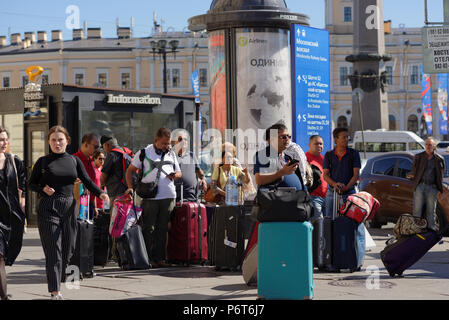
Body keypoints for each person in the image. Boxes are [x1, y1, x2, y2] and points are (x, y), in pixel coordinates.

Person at [29, 125, 109, 300]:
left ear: (67, 141)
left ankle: (60, 277)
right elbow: (31, 184)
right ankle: (55, 291)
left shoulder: (74, 161)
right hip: (48, 207)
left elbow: (87, 180)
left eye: (60, 140)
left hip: (70, 207)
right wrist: (42, 188)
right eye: (53, 140)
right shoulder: (43, 161)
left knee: (68, 250)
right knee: (53, 251)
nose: (57, 143)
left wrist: (101, 193)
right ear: (49, 142)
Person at [125, 128, 182, 268]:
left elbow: (179, 172)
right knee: (148, 228)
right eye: (163, 143)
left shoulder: (172, 154)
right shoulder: (144, 152)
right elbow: (130, 170)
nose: (167, 146)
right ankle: (146, 258)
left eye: (168, 143)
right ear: (156, 141)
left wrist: (175, 175)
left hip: (168, 196)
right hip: (150, 197)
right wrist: (130, 187)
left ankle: (160, 258)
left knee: (162, 228)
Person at [323, 127, 364, 270]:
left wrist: (346, 187)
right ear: (336, 139)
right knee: (330, 225)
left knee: (354, 226)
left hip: (350, 193)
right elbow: (325, 175)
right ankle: (331, 260)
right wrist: (335, 185)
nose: (347, 139)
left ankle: (355, 260)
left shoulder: (354, 153)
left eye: (347, 137)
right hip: (332, 193)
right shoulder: (329, 154)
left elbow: (356, 174)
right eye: (344, 137)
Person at [0, 127, 26, 300]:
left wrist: (23, 203)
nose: (3, 143)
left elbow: (23, 185)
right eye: (0, 140)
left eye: (4, 139)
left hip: (10, 214)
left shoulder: (14, 161)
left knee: (7, 253)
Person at [408, 137, 445, 232]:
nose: (428, 146)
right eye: (427, 144)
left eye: (430, 145)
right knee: (417, 209)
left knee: (431, 210)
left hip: (432, 187)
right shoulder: (418, 156)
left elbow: (441, 175)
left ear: (434, 146)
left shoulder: (439, 159)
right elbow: (413, 170)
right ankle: (416, 229)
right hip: (420, 186)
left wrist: (440, 188)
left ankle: (431, 229)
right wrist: (411, 176)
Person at [253, 123, 304, 190]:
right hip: (275, 199)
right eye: (283, 137)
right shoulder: (263, 155)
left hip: (295, 198)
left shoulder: (288, 157)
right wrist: (282, 172)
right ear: (271, 140)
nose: (287, 139)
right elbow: (259, 180)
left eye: (288, 136)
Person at [171, 129, 207, 202]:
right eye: (180, 139)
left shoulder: (192, 155)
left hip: (192, 199)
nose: (183, 141)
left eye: (185, 139)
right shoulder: (170, 156)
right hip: (175, 199)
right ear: (174, 142)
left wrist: (203, 179)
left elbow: (198, 171)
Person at [73, 133, 101, 220]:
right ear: (85, 144)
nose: (98, 150)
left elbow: (92, 184)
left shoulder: (91, 161)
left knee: (88, 232)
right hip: (79, 204)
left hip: (90, 204)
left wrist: (94, 205)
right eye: (96, 147)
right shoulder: (74, 159)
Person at [306, 135, 328, 221]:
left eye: (321, 144)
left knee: (325, 226)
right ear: (309, 145)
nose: (319, 146)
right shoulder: (305, 158)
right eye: (316, 144)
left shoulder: (324, 159)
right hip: (313, 197)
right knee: (318, 225)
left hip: (326, 197)